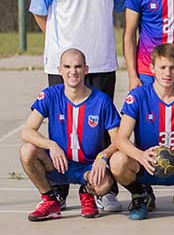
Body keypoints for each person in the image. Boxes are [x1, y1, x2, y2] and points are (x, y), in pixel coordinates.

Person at [29, 0, 126, 212]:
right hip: (64, 67)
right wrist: (59, 45)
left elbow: (124, 2)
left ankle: (99, 188)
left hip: (101, 61)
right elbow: (38, 11)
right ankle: (57, 192)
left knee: (99, 132)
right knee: (62, 131)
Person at [19, 48, 120, 221]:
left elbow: (118, 140)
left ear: (86, 69)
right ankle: (50, 200)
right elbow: (27, 131)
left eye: (78, 67)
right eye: (67, 67)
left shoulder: (101, 101)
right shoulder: (51, 95)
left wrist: (103, 157)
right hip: (58, 163)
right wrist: (51, 144)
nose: (73, 72)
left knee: (105, 183)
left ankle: (87, 192)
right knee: (27, 151)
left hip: (88, 167)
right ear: (59, 70)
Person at [110, 43, 174, 220]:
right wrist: (139, 155)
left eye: (172, 68)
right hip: (145, 164)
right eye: (162, 67)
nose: (167, 73)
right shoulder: (138, 95)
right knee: (117, 161)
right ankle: (140, 195)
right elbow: (121, 139)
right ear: (152, 68)